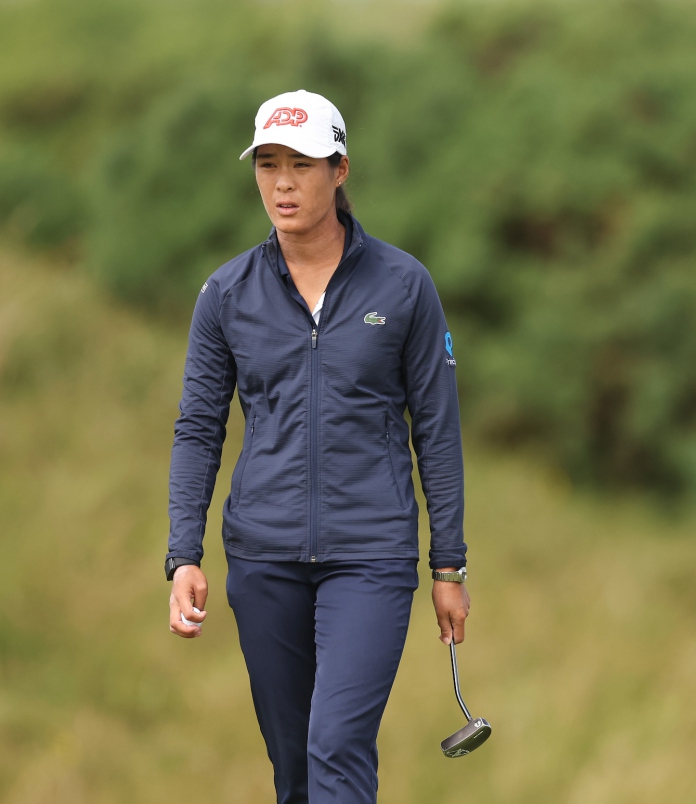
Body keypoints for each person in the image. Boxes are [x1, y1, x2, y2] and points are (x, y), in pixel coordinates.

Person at [164, 89, 471, 804]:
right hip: (263, 557)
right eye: (267, 163)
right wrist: (185, 553)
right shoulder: (225, 293)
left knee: (336, 744)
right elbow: (198, 428)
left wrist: (448, 562)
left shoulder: (404, 286)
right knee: (295, 770)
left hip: (371, 555)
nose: (281, 183)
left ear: (339, 170)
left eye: (300, 164)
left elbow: (437, 429)